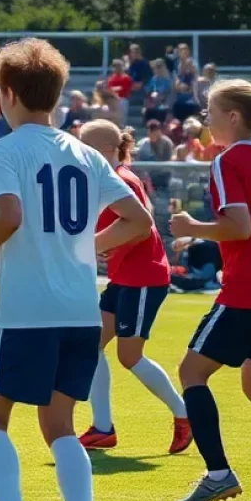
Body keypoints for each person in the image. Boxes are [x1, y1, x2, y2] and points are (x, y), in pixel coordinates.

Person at [0, 38, 152, 501]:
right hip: (79, 313)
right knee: (59, 426)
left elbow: (11, 215)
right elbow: (140, 221)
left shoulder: (5, 150)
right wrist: (85, 249)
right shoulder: (87, 153)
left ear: (9, 94)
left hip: (23, 312)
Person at [78, 121, 190, 454]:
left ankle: (185, 415)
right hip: (125, 277)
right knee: (91, 345)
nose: (80, 155)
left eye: (87, 149)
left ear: (110, 150)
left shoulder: (120, 178)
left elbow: (141, 227)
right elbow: (143, 217)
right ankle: (102, 428)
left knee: (129, 357)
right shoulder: (115, 176)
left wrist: (92, 247)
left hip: (143, 278)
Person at [168, 80, 251, 501]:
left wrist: (192, 228)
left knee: (191, 372)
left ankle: (218, 474)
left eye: (211, 113)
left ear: (233, 117)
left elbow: (240, 226)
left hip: (244, 295)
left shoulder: (228, 159)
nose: (206, 121)